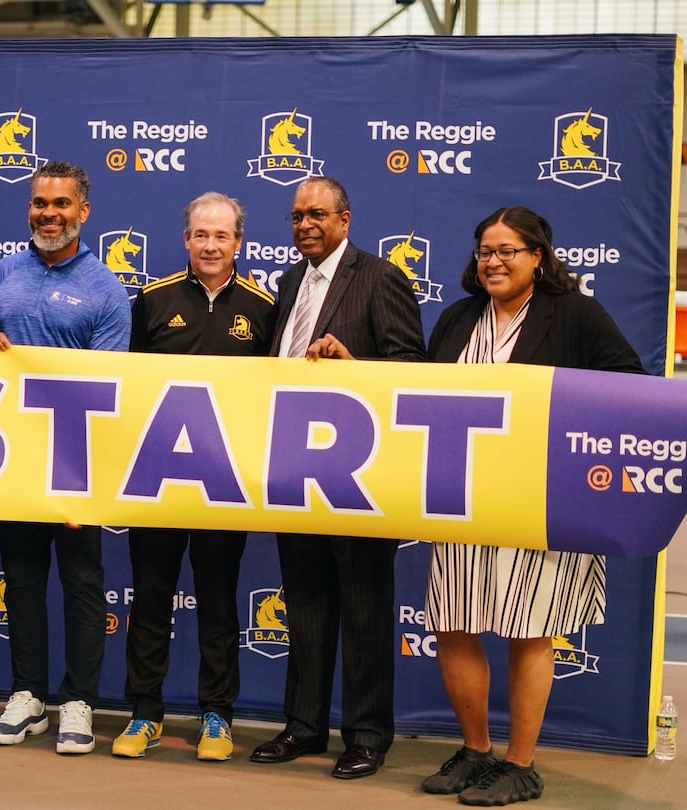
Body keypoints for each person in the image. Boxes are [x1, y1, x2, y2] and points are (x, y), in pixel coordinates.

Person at [417, 206, 687, 806]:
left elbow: (631, 390)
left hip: (543, 499)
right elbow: (415, 396)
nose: (492, 261)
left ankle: (520, 764)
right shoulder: (459, 318)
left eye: (507, 250)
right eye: (484, 250)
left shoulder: (575, 314)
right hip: (462, 499)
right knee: (454, 624)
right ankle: (474, 752)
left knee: (529, 629)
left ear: (538, 256)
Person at [248, 176, 425, 779]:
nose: (305, 225)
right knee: (306, 605)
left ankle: (369, 735)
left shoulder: (381, 278)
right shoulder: (290, 281)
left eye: (317, 215)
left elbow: (411, 371)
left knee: (366, 610)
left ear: (345, 220)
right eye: (297, 216)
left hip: (358, 478)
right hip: (296, 470)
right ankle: (303, 726)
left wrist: (357, 367)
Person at [110, 192, 275, 762]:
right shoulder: (151, 300)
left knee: (219, 601)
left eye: (222, 236)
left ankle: (217, 714)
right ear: (185, 240)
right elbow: (123, 390)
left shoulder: (263, 306)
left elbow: (276, 401)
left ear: (238, 243)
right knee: (151, 597)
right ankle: (144, 713)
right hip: (157, 480)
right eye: (201, 235)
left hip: (224, 485)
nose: (210, 245)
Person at [0, 160, 131, 755]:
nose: (49, 213)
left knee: (82, 583)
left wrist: (84, 476)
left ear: (83, 212)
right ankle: (27, 695)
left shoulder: (106, 289)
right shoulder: (4, 274)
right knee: (19, 580)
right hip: (13, 458)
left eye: (61, 204)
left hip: (76, 461)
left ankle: (79, 700)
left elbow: (106, 389)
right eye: (40, 203)